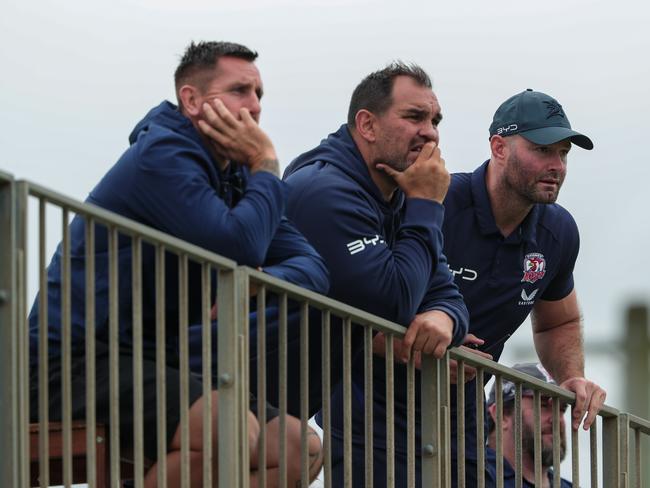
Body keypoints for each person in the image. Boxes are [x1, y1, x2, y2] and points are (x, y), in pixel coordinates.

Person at [28, 41, 326, 487]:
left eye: (259, 94)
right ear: (191, 100)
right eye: (240, 90)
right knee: (230, 430)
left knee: (300, 446)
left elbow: (312, 269)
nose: (255, 107)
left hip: (155, 360)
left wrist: (258, 281)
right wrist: (266, 163)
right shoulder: (163, 155)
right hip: (71, 361)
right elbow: (237, 244)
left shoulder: (239, 176)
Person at [357, 88, 608, 486]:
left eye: (563, 153)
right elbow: (363, 298)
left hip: (461, 414)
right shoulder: (434, 202)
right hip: (370, 403)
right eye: (543, 150)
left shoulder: (558, 231)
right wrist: (424, 347)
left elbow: (556, 322)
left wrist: (570, 377)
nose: (556, 165)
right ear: (499, 147)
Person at [282, 62, 470, 487]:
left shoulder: (397, 196)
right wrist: (427, 204)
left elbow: (446, 292)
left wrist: (443, 319)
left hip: (281, 400)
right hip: (231, 379)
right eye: (414, 117)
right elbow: (392, 300)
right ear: (366, 124)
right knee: (299, 454)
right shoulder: (325, 189)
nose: (431, 133)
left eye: (435, 120)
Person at [486, 363, 572, 487]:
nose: (556, 419)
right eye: (542, 405)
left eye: (562, 409)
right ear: (502, 415)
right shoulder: (473, 475)